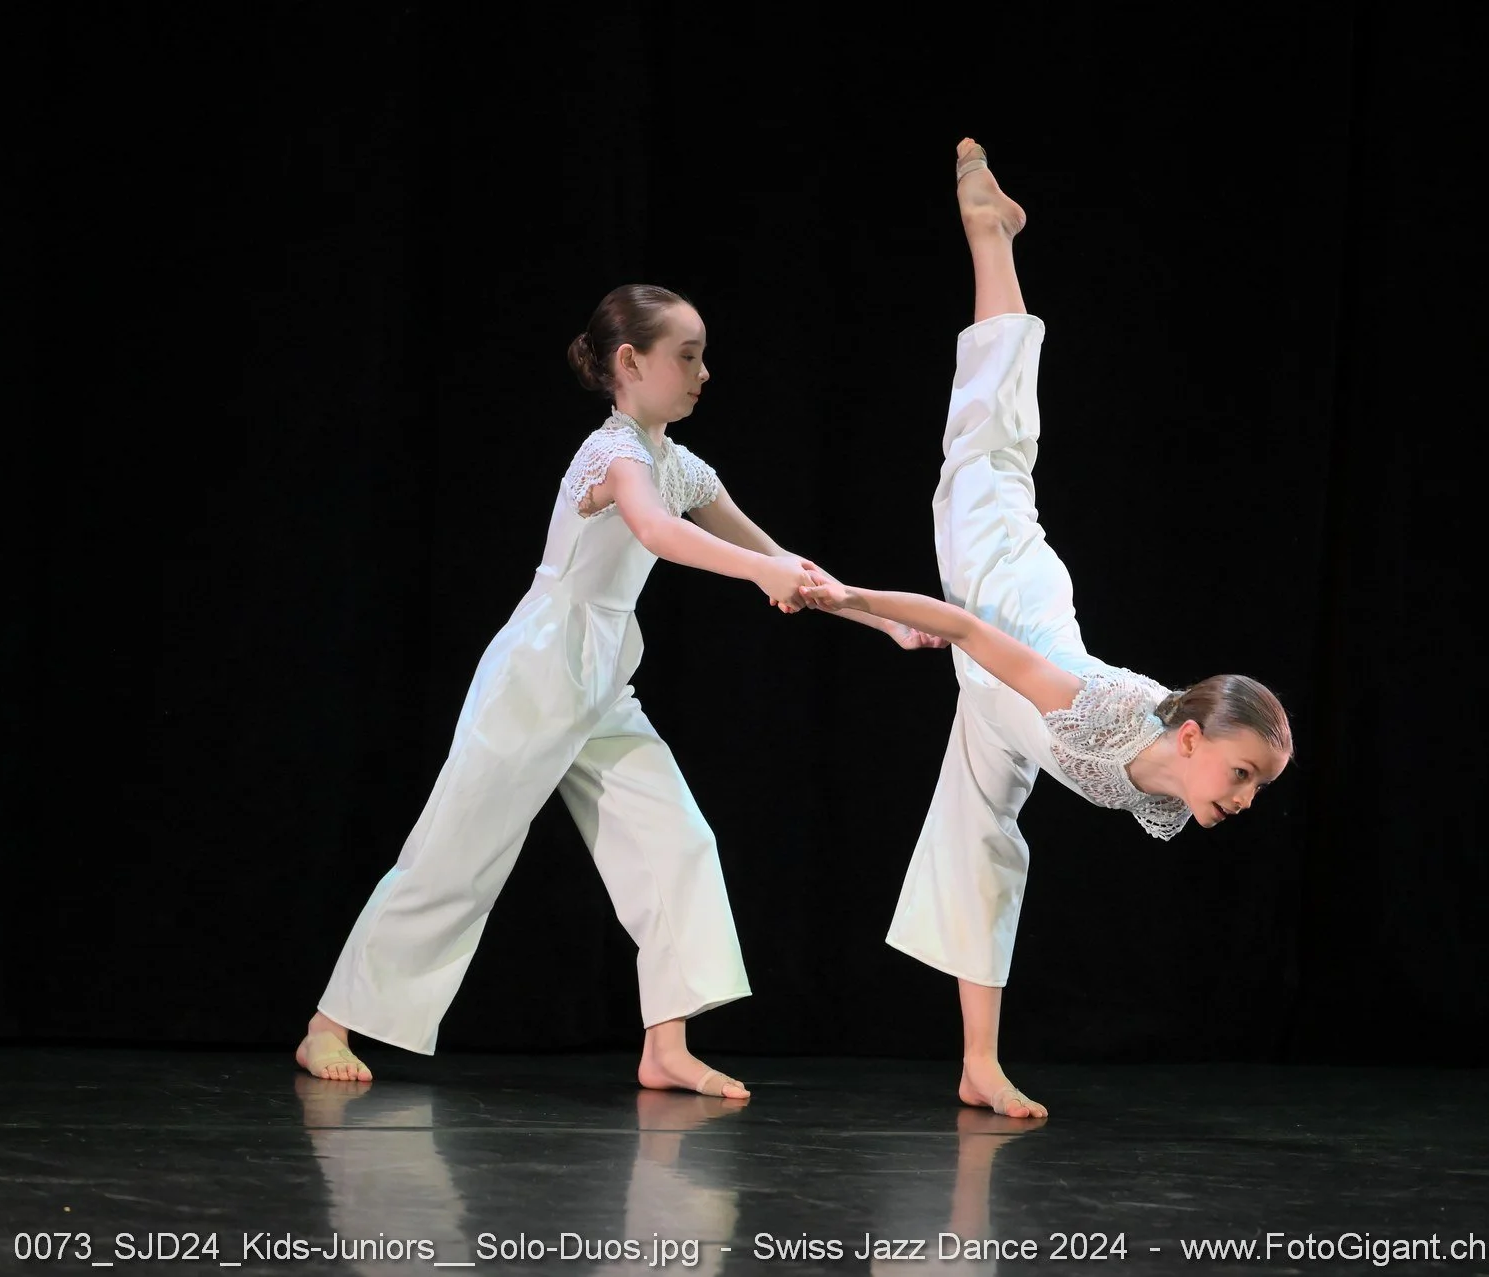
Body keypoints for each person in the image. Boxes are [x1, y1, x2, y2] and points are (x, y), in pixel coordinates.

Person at [298, 284, 938, 1096]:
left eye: (703, 355)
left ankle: (665, 1044)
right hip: (537, 673)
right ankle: (328, 1024)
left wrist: (881, 621)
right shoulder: (610, 454)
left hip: (602, 679)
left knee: (677, 840)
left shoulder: (681, 466)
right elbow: (657, 531)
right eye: (688, 356)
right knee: (455, 854)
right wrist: (759, 572)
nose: (704, 372)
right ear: (630, 362)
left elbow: (782, 557)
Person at [799, 141, 1295, 1120]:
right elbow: (964, 625)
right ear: (1191, 736)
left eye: (1257, 786)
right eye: (1243, 772)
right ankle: (990, 231)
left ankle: (978, 1063)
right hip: (1002, 588)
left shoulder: (1172, 786)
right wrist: (851, 601)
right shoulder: (1104, 707)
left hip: (1004, 705)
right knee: (991, 441)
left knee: (983, 843)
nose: (1245, 797)